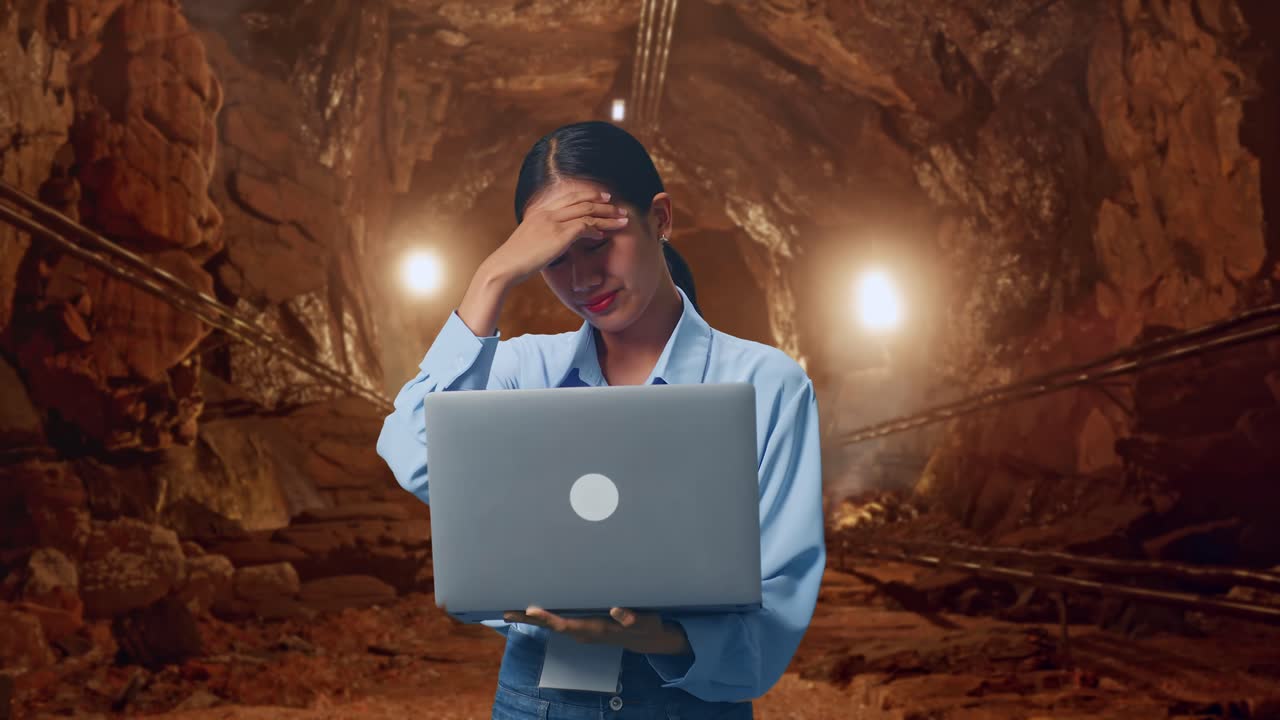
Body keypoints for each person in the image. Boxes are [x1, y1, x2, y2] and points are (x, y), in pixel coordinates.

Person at [376, 120, 825, 719]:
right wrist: (491, 277)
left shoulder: (767, 385)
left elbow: (779, 607)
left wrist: (662, 638)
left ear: (660, 219)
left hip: (688, 705)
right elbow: (412, 451)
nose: (582, 280)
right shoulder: (521, 372)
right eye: (553, 259)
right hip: (537, 701)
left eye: (596, 244)